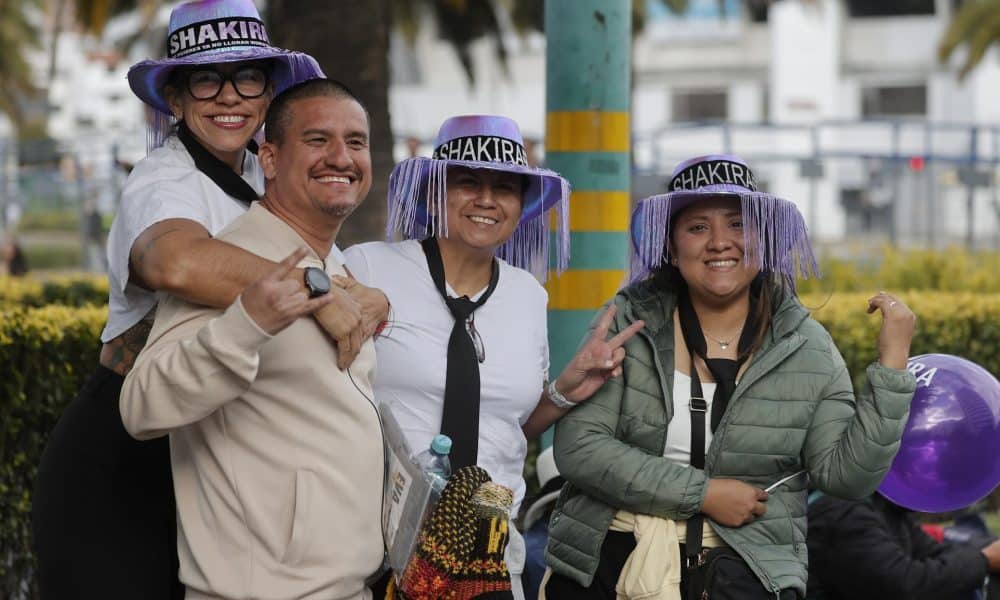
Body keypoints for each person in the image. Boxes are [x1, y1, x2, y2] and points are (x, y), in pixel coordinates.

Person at [31, 2, 386, 598]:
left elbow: (329, 262)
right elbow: (177, 262)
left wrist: (371, 297)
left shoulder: (269, 169)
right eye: (205, 79)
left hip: (219, 448)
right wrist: (316, 295)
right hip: (130, 449)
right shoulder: (163, 179)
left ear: (269, 92)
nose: (229, 97)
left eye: (247, 77)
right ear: (175, 99)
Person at [542, 154, 919, 600]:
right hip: (606, 568)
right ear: (671, 244)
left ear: (764, 237)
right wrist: (703, 495)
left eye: (739, 224)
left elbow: (845, 478)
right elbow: (579, 448)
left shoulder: (806, 347)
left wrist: (892, 366)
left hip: (744, 575)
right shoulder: (628, 322)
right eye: (697, 227)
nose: (720, 242)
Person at [343, 114, 644, 598]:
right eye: (468, 182)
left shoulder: (528, 295)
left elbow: (505, 430)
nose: (486, 199)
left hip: (490, 552)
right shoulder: (368, 266)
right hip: (377, 546)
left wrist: (565, 392)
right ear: (436, 193)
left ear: (521, 205)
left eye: (504, 187)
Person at [120, 78, 383, 599]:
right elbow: (140, 405)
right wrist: (249, 325)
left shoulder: (331, 264)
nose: (341, 156)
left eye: (356, 142)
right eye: (317, 140)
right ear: (268, 158)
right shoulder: (238, 264)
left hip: (346, 584)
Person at [806, 492, 1000, 600]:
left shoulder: (883, 507)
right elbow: (902, 585)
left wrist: (985, 557)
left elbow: (933, 551)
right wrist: (984, 560)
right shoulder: (839, 511)